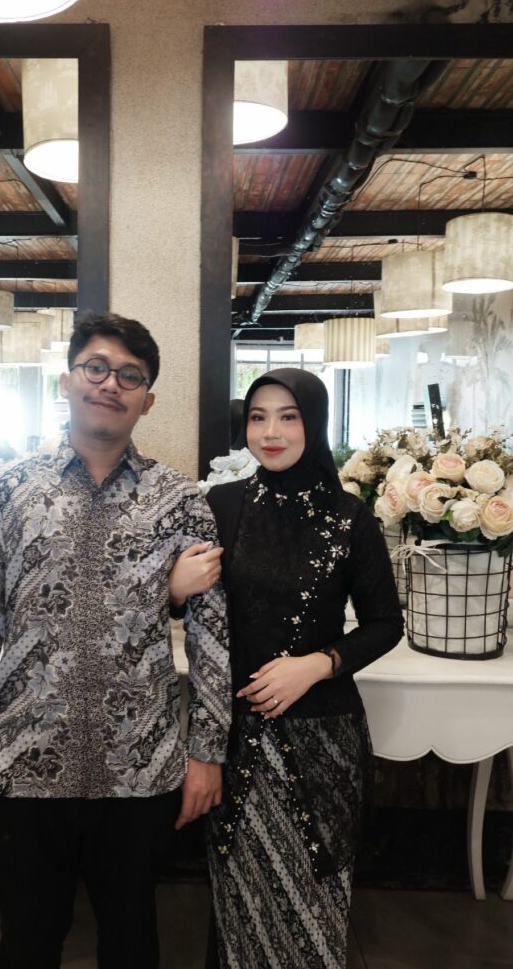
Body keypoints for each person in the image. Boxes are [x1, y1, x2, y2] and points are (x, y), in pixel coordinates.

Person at [0, 312, 231, 969]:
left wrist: (206, 753)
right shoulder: (10, 490)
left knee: (132, 941)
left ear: (146, 400)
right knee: (27, 942)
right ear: (67, 381)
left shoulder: (179, 500)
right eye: (95, 368)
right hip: (22, 762)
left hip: (140, 767)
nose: (110, 384)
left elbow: (212, 639)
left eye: (129, 376)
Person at [171, 368, 403, 969]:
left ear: (314, 423)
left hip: (321, 738)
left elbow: (385, 624)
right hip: (238, 738)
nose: (270, 432)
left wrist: (318, 665)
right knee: (241, 906)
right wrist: (172, 589)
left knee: (312, 906)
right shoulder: (222, 504)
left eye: (288, 416)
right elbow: (190, 608)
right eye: (258, 417)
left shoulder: (351, 517)